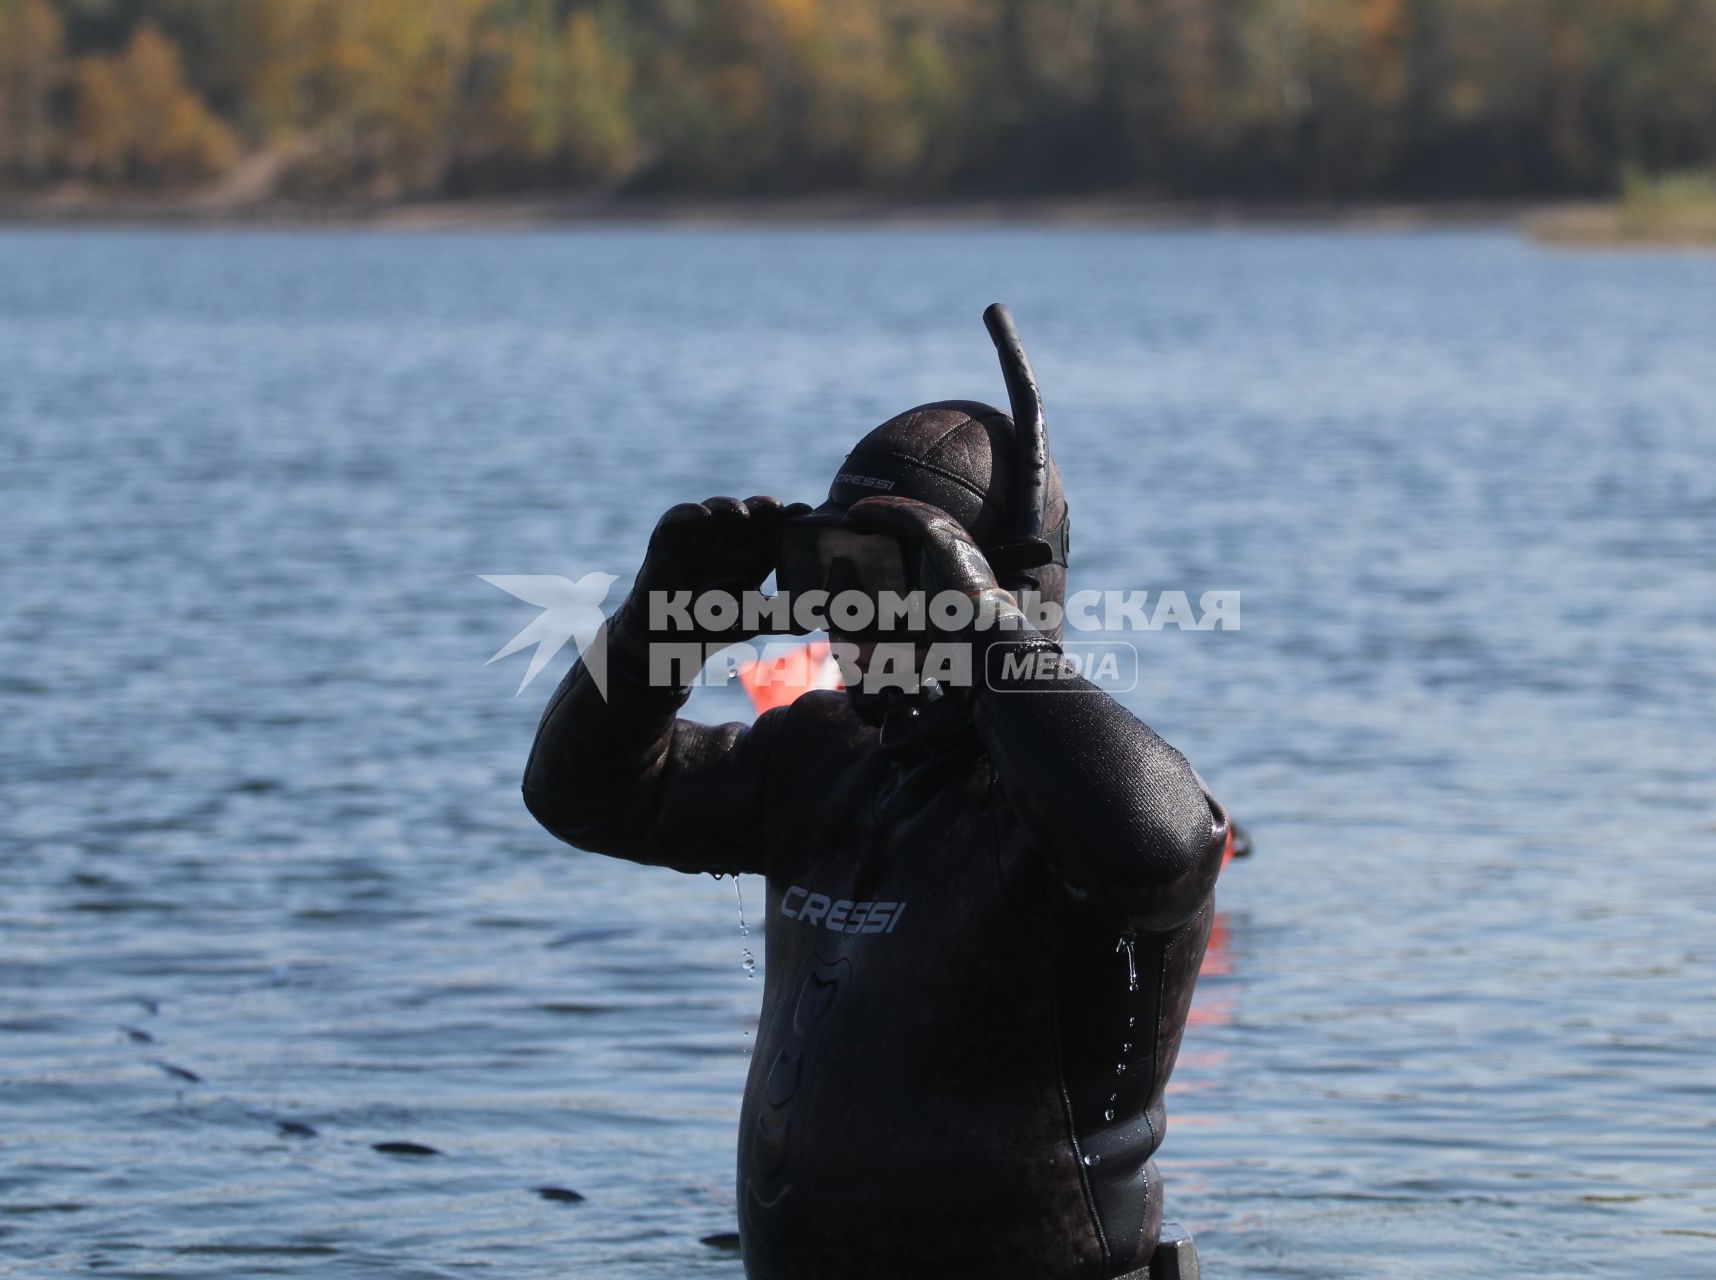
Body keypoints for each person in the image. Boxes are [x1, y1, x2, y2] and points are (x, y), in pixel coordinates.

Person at [523, 307, 1226, 1280]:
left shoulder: (1076, 813)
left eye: (894, 578)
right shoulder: (822, 759)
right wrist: (654, 630)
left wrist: (991, 638)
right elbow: (585, 795)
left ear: (996, 591)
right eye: (830, 573)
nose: (852, 616)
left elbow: (1166, 852)